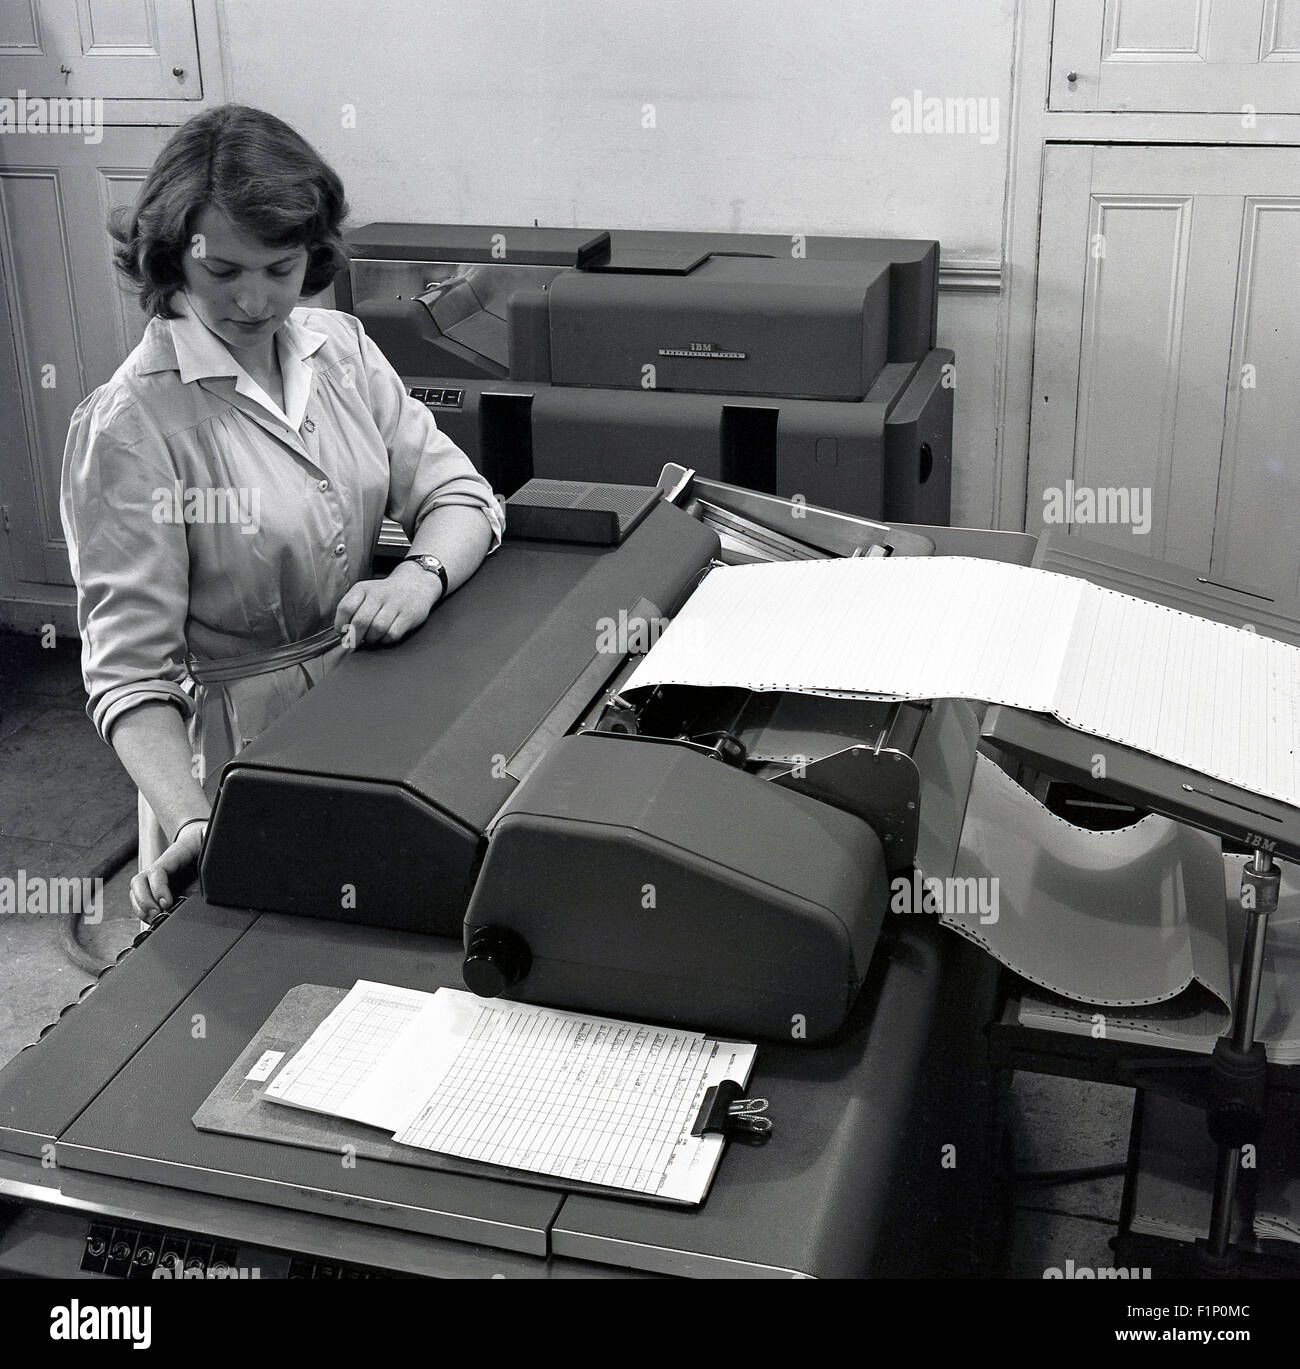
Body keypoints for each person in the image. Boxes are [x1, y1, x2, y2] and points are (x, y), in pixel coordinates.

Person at [60, 105, 504, 923]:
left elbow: (460, 497)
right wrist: (194, 816)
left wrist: (421, 574)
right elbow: (129, 676)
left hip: (373, 709)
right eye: (223, 271)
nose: (256, 301)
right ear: (172, 261)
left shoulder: (341, 349)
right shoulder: (131, 427)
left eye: (280, 267)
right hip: (235, 766)